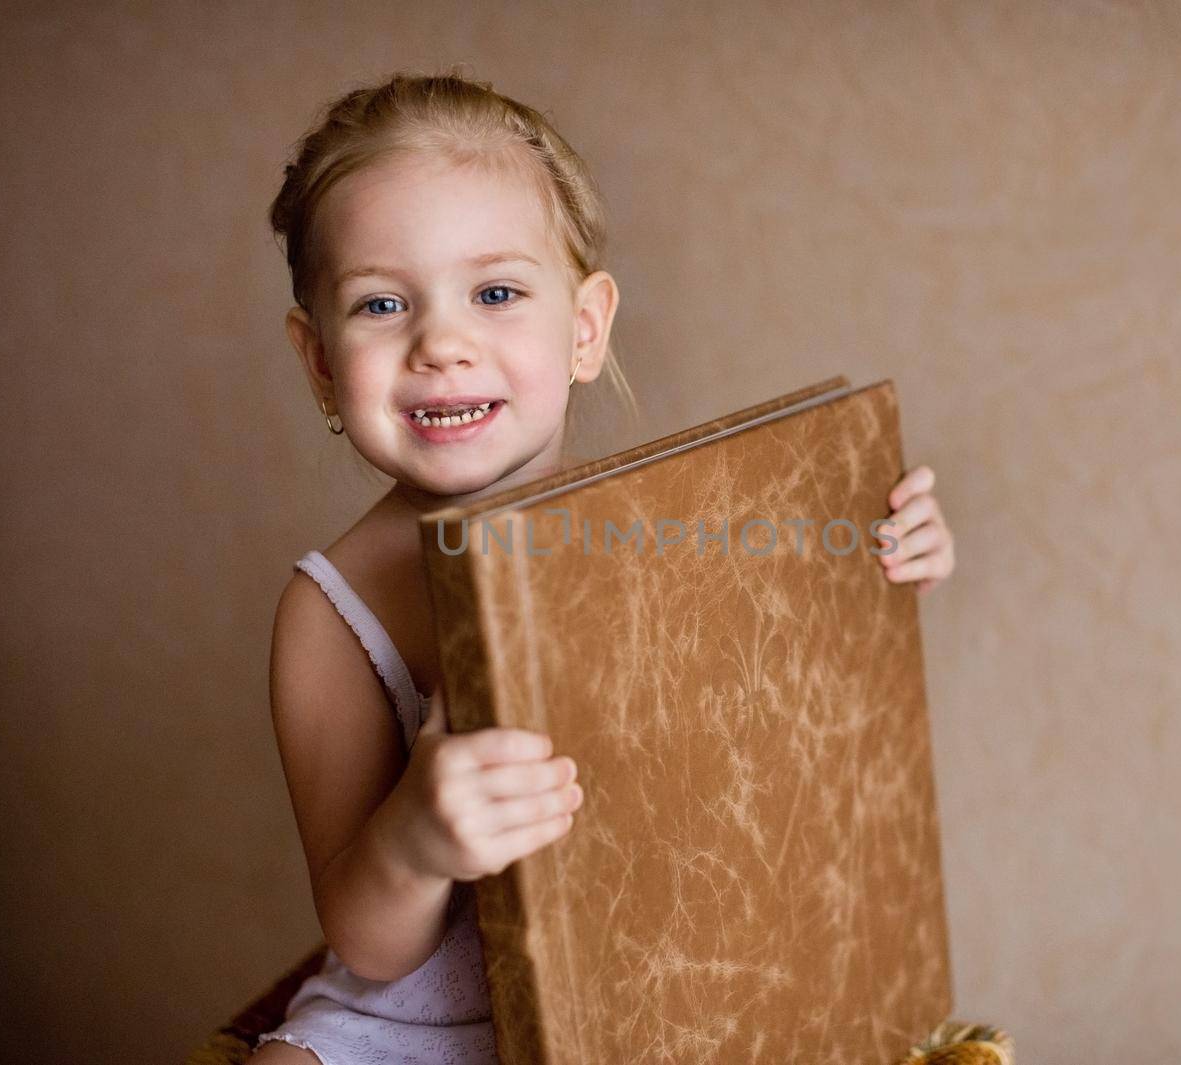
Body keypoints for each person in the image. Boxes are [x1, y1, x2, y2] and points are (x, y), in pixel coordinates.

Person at [247, 68, 957, 1065]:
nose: (442, 344)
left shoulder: (662, 526)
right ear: (319, 359)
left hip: (644, 996)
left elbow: (791, 688)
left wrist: (887, 552)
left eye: (495, 293)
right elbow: (366, 941)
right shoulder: (331, 612)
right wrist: (414, 837)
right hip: (426, 1027)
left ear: (583, 329)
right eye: (379, 306)